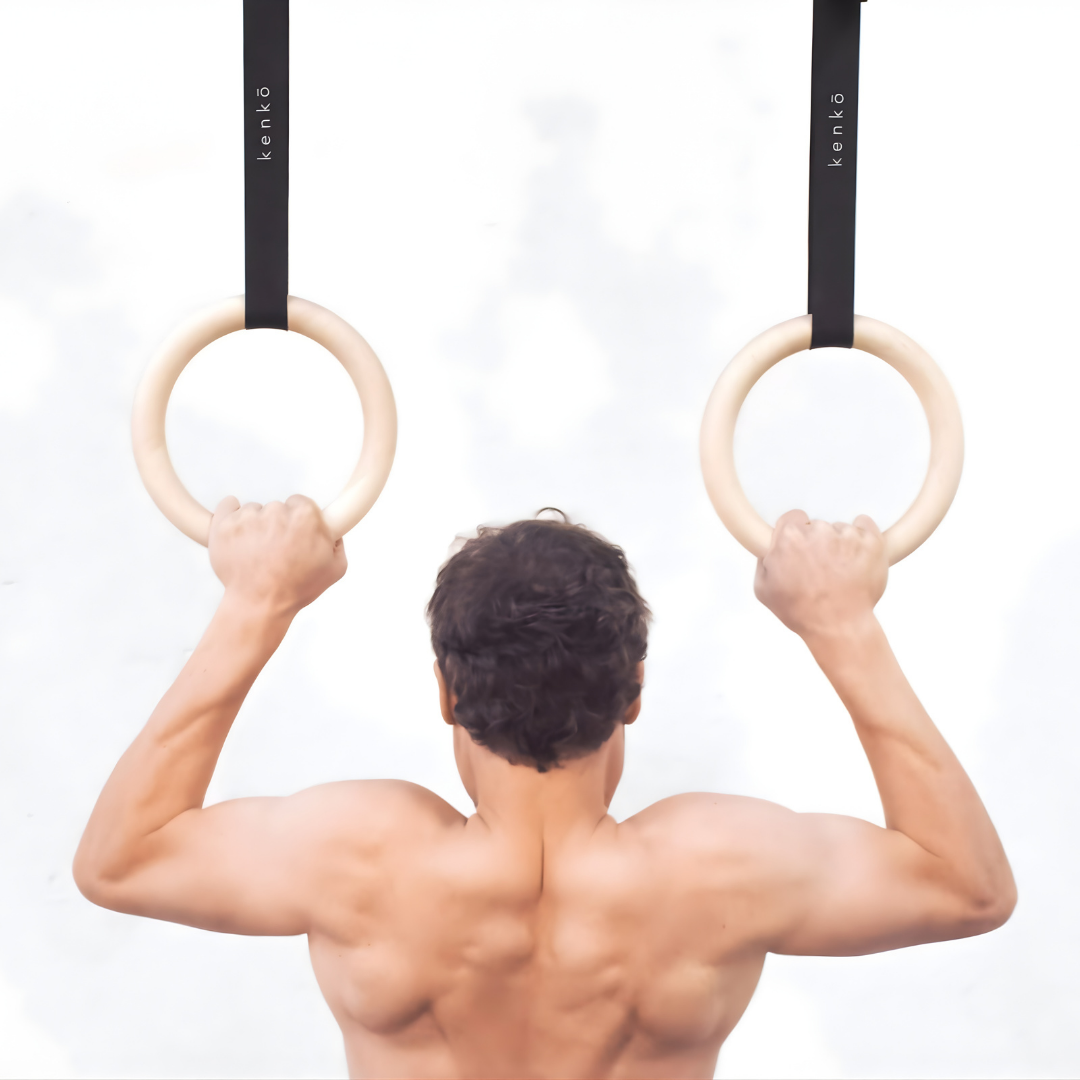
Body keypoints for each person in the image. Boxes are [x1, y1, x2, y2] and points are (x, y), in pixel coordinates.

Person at [74, 495, 1016, 1079]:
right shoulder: (718, 869)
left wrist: (255, 602)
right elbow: (968, 887)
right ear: (634, 691)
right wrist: (841, 623)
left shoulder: (360, 855)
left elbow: (121, 860)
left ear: (447, 693)